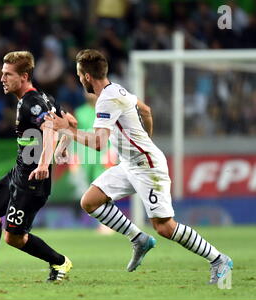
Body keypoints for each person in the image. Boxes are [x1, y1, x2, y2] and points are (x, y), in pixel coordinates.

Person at [45, 49, 233, 284]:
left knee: (165, 227)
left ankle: (219, 259)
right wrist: (146, 141)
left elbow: (99, 143)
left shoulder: (106, 99)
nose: (80, 80)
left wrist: (67, 130)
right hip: (130, 164)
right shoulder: (118, 89)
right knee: (90, 201)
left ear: (86, 76)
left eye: (79, 76)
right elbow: (146, 111)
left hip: (147, 167)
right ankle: (139, 239)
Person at [0, 51, 72, 283]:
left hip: (33, 180)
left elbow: (49, 128)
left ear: (24, 76)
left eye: (8, 74)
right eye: (2, 73)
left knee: (14, 238)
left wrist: (46, 162)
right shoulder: (43, 97)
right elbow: (70, 122)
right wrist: (63, 145)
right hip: (19, 172)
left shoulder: (32, 103)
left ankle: (60, 262)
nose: (2, 79)